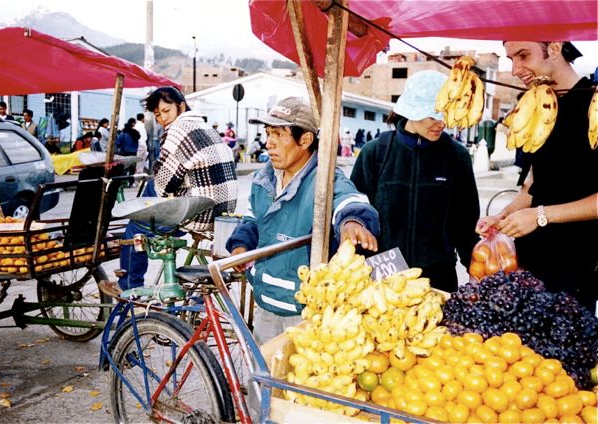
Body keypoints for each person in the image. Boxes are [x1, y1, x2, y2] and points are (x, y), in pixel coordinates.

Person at [226, 97, 379, 344]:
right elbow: (253, 217)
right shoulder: (263, 179)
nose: (269, 143)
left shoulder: (324, 180)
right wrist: (241, 245)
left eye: (278, 134)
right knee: (263, 376)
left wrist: (353, 221)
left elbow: (348, 198)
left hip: (305, 311)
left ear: (305, 140)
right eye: (268, 133)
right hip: (265, 302)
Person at [476, 41, 598, 313]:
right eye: (510, 59)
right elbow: (531, 185)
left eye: (523, 55)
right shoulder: (532, 105)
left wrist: (540, 216)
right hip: (529, 261)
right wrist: (503, 217)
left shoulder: (593, 102)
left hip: (578, 264)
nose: (516, 69)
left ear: (554, 48)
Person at [99, 86, 238, 295]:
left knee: (135, 227)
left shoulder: (177, 131)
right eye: (158, 114)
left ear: (180, 106)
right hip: (222, 211)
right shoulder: (204, 126)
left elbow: (164, 185)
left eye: (167, 111)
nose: (163, 118)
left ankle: (128, 284)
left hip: (200, 212)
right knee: (150, 189)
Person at [351, 70, 480, 293]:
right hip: (383, 279)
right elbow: (356, 214)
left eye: (444, 115)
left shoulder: (456, 157)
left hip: (438, 280)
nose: (440, 123)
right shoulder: (375, 153)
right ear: (411, 112)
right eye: (432, 115)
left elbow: (466, 223)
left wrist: (477, 269)